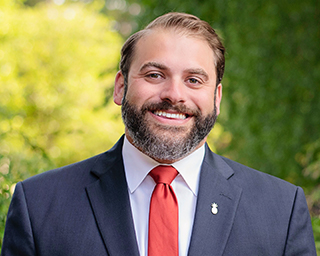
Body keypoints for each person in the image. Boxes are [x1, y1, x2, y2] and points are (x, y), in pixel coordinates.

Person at [1, 12, 316, 256]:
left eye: (194, 80)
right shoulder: (40, 206)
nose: (174, 94)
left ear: (217, 98)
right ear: (121, 86)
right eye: (155, 74)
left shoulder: (281, 210)